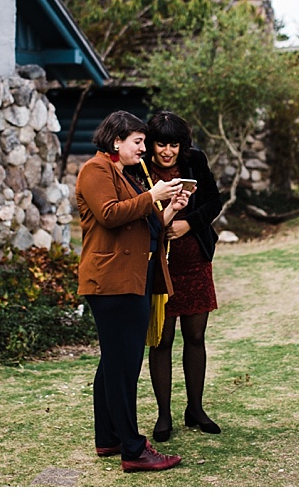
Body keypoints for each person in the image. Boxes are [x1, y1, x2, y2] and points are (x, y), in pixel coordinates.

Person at [75, 110, 191, 473]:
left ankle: (108, 437)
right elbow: (110, 214)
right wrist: (152, 194)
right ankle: (133, 449)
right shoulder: (95, 170)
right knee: (124, 366)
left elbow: (143, 223)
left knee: (113, 363)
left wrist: (170, 207)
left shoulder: (122, 174)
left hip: (132, 279)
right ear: (116, 141)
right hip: (112, 282)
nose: (144, 149)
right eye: (138, 142)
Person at [140, 111, 223, 442]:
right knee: (162, 339)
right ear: (151, 144)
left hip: (195, 262)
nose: (167, 152)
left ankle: (196, 409)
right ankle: (163, 415)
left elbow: (213, 201)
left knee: (196, 336)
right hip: (158, 264)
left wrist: (190, 223)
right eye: (161, 144)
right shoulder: (138, 167)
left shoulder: (195, 161)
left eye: (174, 145)